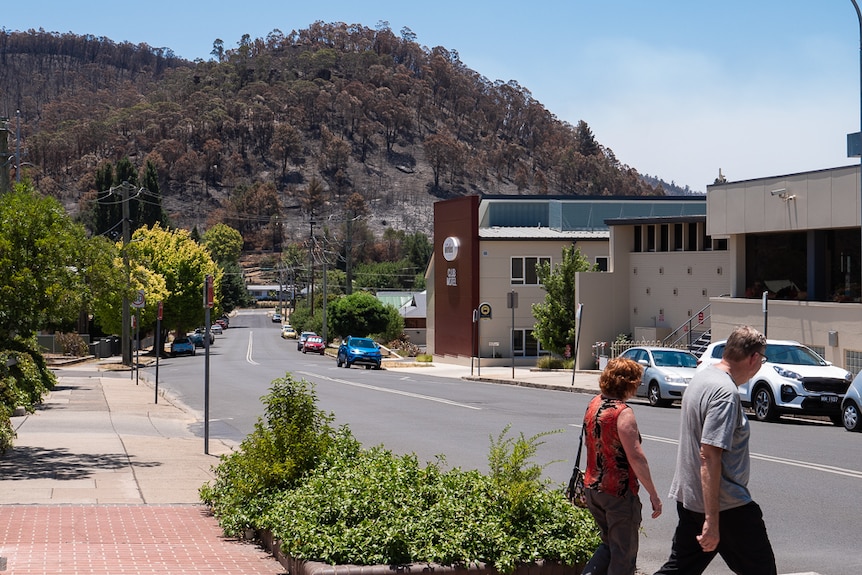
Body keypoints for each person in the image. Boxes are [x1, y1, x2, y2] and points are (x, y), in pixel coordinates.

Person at [654, 325, 777, 575]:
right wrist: (712, 520)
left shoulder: (702, 378)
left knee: (679, 570)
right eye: (762, 359)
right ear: (753, 358)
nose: (760, 365)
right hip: (725, 506)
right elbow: (709, 455)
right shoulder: (725, 393)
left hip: (692, 500)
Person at [581, 356, 662, 575]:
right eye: (636, 381)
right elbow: (636, 457)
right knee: (623, 555)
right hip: (618, 492)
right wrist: (653, 494)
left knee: (609, 545)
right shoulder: (622, 413)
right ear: (628, 383)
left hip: (593, 489)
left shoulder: (594, 404)